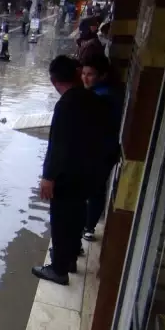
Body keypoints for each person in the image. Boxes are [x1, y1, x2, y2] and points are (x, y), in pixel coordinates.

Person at [32, 55, 112, 285]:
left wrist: (48, 177)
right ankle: (69, 259)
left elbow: (58, 145)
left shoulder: (66, 104)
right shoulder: (92, 99)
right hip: (89, 172)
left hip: (69, 175)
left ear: (54, 82)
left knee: (61, 220)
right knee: (76, 216)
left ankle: (58, 269)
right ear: (77, 74)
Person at [80, 55, 123, 241]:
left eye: (90, 74)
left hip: (97, 151)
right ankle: (87, 227)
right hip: (105, 150)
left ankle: (86, 227)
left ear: (102, 75)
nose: (85, 78)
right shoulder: (110, 93)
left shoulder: (101, 97)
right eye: (83, 73)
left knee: (91, 191)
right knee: (96, 190)